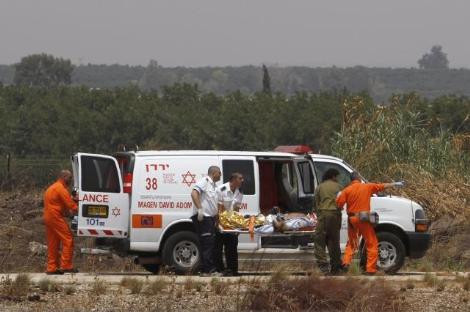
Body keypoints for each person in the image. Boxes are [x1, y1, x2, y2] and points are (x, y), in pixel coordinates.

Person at [336, 172, 404, 275]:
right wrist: (394, 184)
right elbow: (381, 186)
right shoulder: (367, 187)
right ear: (359, 178)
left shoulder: (347, 190)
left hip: (352, 219)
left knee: (352, 243)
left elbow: (339, 204)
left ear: (351, 180)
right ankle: (370, 269)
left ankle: (346, 263)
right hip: (363, 219)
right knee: (371, 243)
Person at [43, 170, 79, 275]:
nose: (71, 180)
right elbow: (70, 205)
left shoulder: (52, 188)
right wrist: (83, 209)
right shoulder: (61, 189)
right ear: (64, 177)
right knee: (68, 238)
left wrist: (69, 214)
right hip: (55, 217)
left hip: (48, 217)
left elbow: (61, 204)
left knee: (53, 243)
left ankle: (52, 268)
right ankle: (66, 266)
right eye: (70, 177)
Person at [191, 166, 222, 276]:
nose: (220, 174)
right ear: (213, 173)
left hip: (210, 218)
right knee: (207, 244)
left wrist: (216, 219)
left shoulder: (214, 185)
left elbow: (213, 204)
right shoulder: (205, 181)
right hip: (204, 217)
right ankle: (209, 270)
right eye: (219, 172)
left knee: (209, 244)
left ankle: (205, 269)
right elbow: (194, 193)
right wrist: (199, 209)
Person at [313, 168, 343, 275]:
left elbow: (316, 204)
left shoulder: (320, 187)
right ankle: (335, 268)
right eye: (337, 177)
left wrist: (320, 214)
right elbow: (342, 201)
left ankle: (323, 268)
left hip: (323, 215)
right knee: (334, 242)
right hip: (335, 216)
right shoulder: (339, 187)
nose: (337, 179)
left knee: (319, 241)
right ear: (333, 176)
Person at [214, 172, 244, 276]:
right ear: (234, 180)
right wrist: (220, 224)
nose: (242, 180)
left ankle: (232, 270)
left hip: (231, 223)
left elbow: (236, 210)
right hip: (221, 222)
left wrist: (236, 225)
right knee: (217, 248)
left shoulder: (239, 192)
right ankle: (219, 270)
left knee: (232, 247)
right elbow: (219, 209)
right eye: (240, 178)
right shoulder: (221, 189)